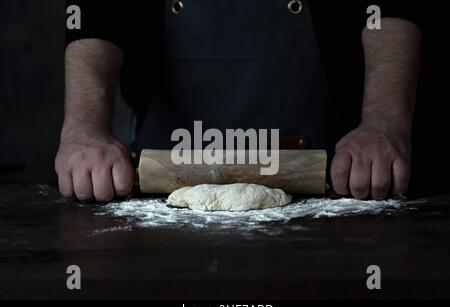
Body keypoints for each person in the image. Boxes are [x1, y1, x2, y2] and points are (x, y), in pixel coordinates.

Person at [56, 0, 421, 202]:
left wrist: (383, 121)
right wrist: (83, 128)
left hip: (340, 185)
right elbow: (97, 15)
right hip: (158, 190)